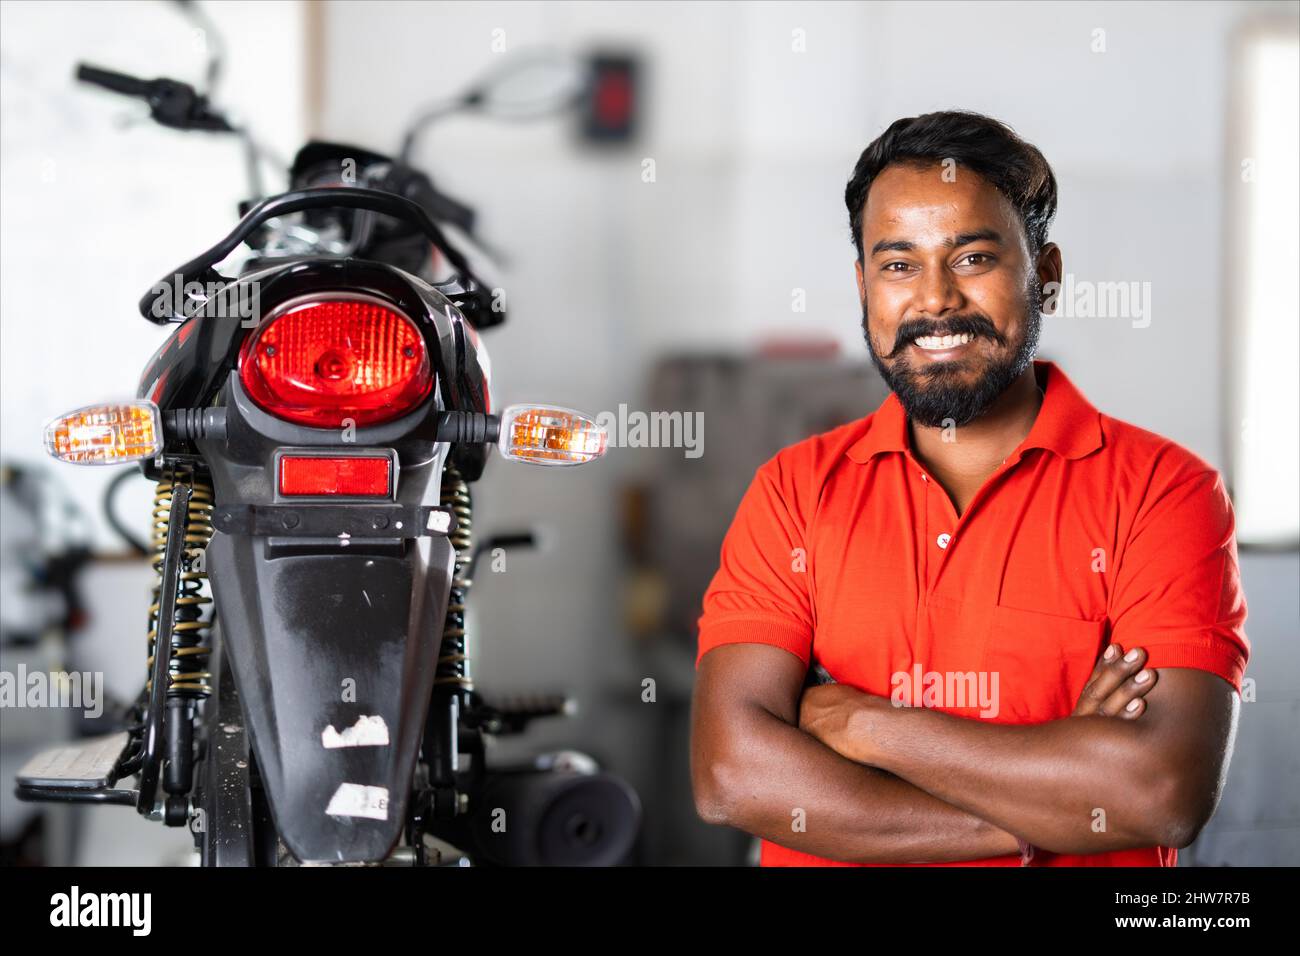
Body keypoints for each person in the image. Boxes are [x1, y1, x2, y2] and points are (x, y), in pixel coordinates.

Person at [690, 111, 1249, 866]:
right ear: (863, 285)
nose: (935, 300)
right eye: (897, 265)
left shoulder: (1163, 492)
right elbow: (732, 775)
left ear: (1045, 275)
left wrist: (865, 728)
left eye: (973, 257)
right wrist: (1037, 810)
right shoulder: (795, 491)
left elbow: (1160, 792)